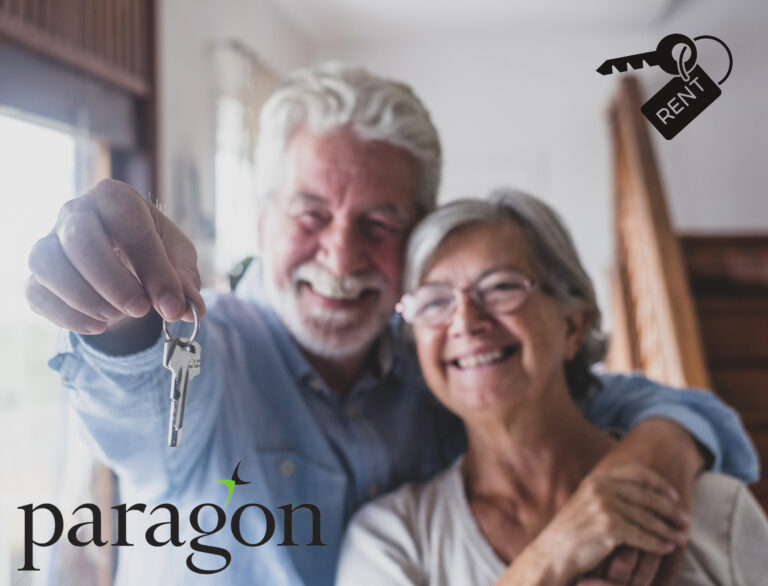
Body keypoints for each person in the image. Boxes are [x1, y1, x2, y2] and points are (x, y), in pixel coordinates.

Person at [26, 64, 758, 586]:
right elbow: (138, 406)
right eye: (311, 213)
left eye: (381, 220)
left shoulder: (446, 360)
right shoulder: (212, 351)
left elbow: (594, 393)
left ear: (417, 241)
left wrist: (666, 448)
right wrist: (119, 321)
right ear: (262, 220)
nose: (340, 252)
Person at [336, 191, 768, 586]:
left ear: (573, 325)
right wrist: (550, 556)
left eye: (502, 287)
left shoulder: (717, 510)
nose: (465, 321)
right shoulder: (392, 539)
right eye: (434, 301)